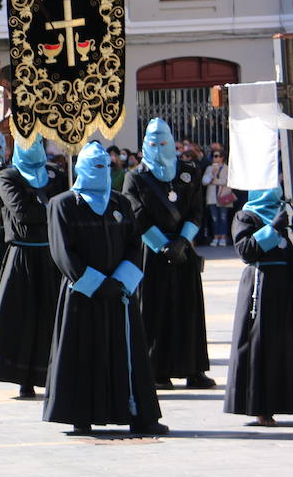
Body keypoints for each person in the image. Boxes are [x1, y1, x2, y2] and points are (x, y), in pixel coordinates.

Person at [44, 142, 166, 436]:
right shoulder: (63, 204)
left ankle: (139, 414)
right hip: (83, 295)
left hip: (120, 296)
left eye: (105, 166)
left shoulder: (121, 203)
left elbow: (135, 244)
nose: (101, 172)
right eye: (95, 166)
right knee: (83, 353)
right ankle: (81, 414)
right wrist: (96, 284)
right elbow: (63, 252)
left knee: (128, 353)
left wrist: (121, 280)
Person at [123, 118, 216, 389]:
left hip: (184, 250)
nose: (158, 146)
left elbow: (197, 209)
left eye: (163, 141)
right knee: (154, 309)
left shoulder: (188, 170)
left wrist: (183, 241)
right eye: (152, 142)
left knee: (189, 309)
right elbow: (135, 212)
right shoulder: (136, 176)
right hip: (152, 253)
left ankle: (194, 368)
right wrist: (162, 244)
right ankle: (157, 369)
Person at [0, 137, 67, 399]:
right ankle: (23, 378)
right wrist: (52, 208)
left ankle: (54, 373)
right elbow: (22, 211)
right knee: (23, 318)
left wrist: (48, 207)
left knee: (53, 318)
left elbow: (65, 203)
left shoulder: (56, 173)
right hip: (23, 256)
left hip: (51, 254)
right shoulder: (8, 176)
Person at [223, 189, 292, 426]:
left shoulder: (288, 213)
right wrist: (272, 229)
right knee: (261, 345)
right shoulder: (245, 216)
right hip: (261, 286)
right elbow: (245, 250)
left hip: (287, 281)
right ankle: (262, 407)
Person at [202, 149, 233, 246]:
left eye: (218, 156)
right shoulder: (209, 168)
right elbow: (204, 181)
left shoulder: (227, 168)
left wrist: (214, 181)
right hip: (212, 197)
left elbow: (227, 181)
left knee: (223, 218)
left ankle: (223, 237)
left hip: (223, 196)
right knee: (214, 218)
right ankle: (216, 237)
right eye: (214, 156)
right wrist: (212, 175)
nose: (216, 158)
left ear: (222, 157)